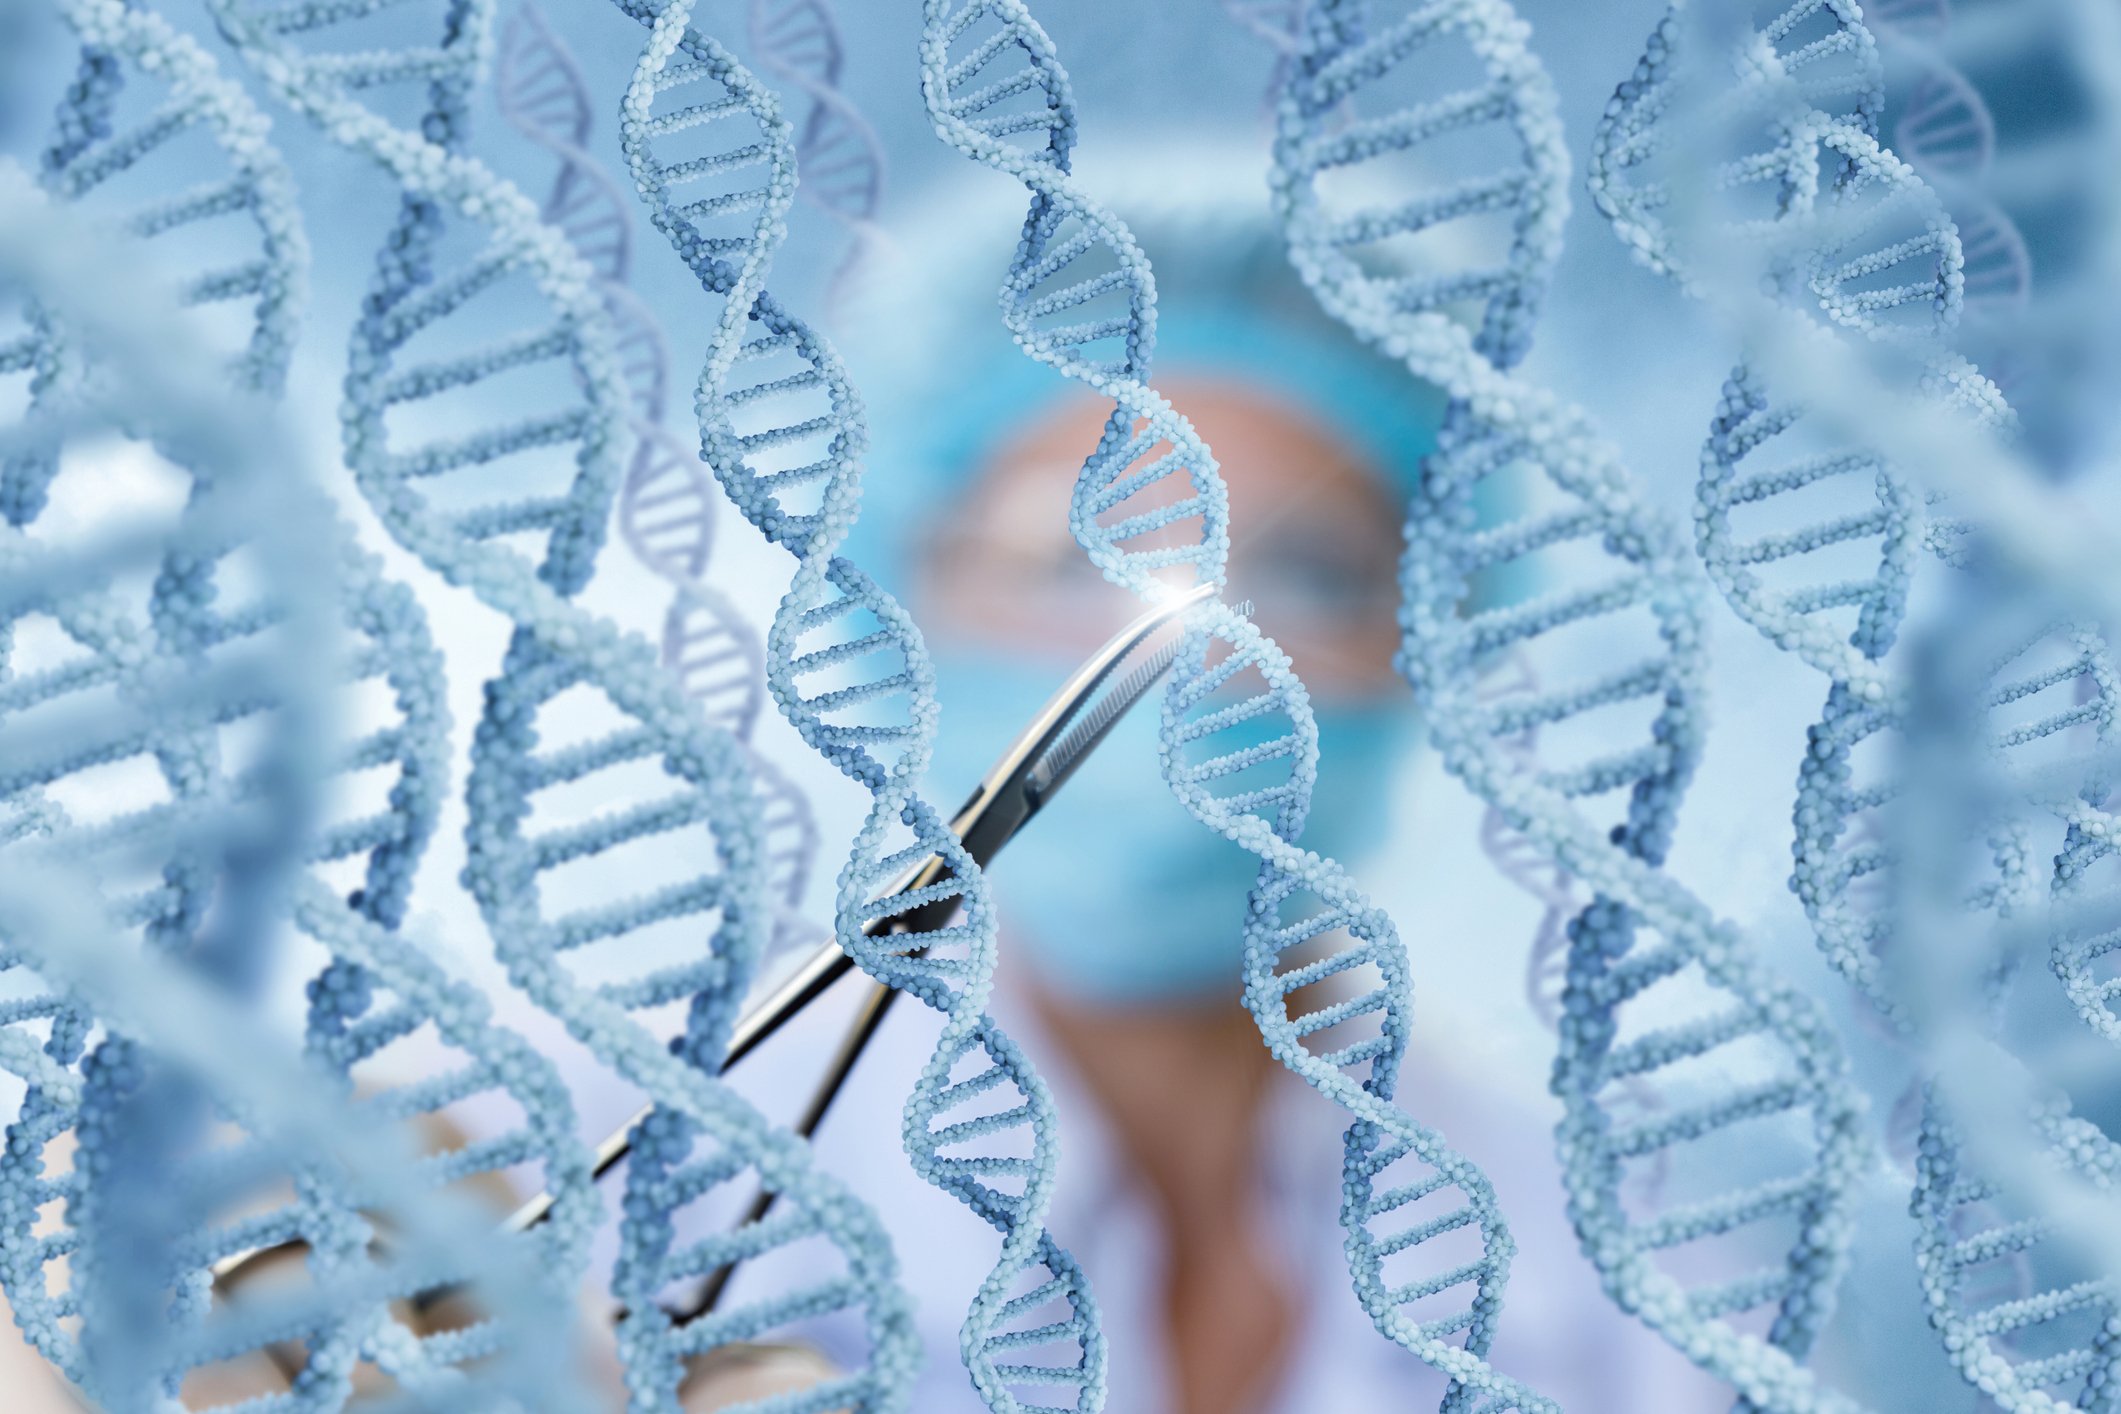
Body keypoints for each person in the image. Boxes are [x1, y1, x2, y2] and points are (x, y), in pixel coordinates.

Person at [681, 141, 1730, 1414]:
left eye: (1308, 578)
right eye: (1068, 564)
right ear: (894, 609)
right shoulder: (606, 1158)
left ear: (1439, 635)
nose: (1186, 668)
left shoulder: (1646, 1254)